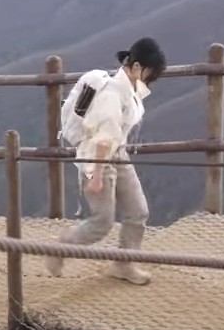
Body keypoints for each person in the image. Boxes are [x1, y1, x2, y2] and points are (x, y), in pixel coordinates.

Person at [50, 37, 167, 285]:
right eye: (149, 74)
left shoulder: (127, 89)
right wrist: (97, 176)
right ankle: (63, 245)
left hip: (118, 154)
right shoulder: (112, 95)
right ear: (136, 67)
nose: (149, 80)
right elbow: (103, 139)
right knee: (102, 222)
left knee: (137, 211)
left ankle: (124, 264)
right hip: (97, 157)